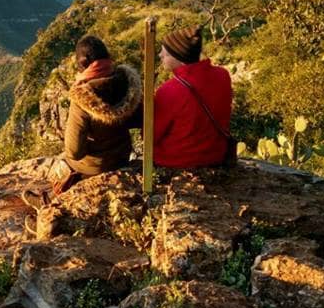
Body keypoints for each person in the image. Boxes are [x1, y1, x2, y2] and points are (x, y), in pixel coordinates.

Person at [54, 35, 141, 195]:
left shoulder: (83, 96)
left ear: (82, 63)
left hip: (96, 167)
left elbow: (74, 152)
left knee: (60, 163)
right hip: (122, 157)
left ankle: (52, 198)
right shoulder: (127, 83)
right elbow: (141, 119)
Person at [153, 26, 232, 169]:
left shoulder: (169, 90)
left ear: (180, 57)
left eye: (165, 54)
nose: (160, 56)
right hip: (216, 156)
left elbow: (151, 135)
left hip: (177, 161)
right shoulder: (223, 75)